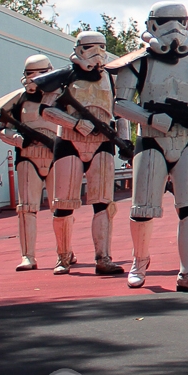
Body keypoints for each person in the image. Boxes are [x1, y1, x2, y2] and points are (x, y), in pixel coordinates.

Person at [110, 2, 188, 291]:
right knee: (142, 208)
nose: (175, 29)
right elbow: (119, 103)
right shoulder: (139, 62)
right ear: (152, 26)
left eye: (180, 21)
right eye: (167, 22)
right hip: (151, 139)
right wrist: (149, 117)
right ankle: (140, 260)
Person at [36, 32, 123, 277]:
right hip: (69, 142)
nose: (97, 52)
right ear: (79, 48)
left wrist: (124, 139)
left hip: (102, 142)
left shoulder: (109, 77)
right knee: (63, 204)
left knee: (103, 204)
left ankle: (103, 257)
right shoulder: (65, 76)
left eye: (102, 47)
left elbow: (117, 109)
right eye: (90, 47)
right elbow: (46, 110)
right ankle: (63, 257)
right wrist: (74, 124)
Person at [0, 54, 58, 271]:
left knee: (61, 206)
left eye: (38, 73)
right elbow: (2, 127)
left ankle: (65, 252)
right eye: (29, 73)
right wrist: (17, 138)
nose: (32, 78)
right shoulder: (17, 99)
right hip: (27, 157)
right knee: (26, 208)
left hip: (56, 156)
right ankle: (28, 256)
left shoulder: (61, 97)